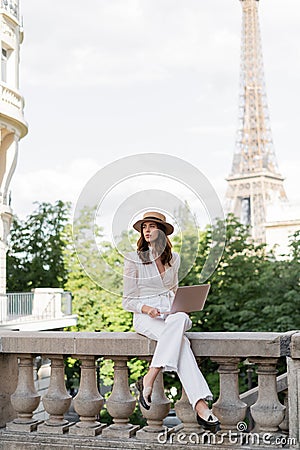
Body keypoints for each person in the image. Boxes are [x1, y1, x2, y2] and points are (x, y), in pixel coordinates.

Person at [122, 211, 220, 432]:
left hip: (171, 314)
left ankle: (150, 376)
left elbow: (174, 290)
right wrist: (146, 308)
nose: (147, 230)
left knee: (181, 317)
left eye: (152, 226)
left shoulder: (174, 259)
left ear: (163, 232)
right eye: (144, 226)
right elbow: (127, 300)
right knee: (182, 343)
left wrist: (181, 304)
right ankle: (201, 406)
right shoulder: (133, 258)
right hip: (146, 317)